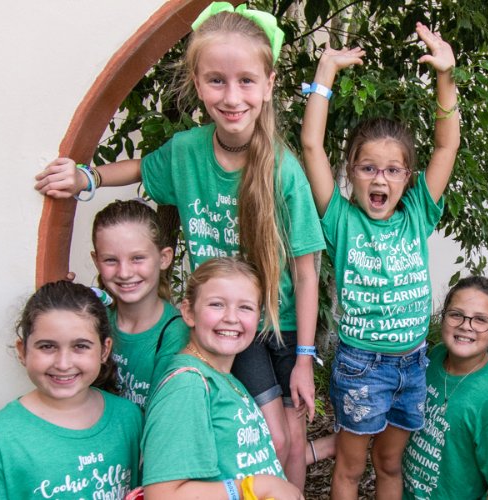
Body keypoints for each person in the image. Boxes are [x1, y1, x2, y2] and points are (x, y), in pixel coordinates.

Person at [34, 2, 323, 482]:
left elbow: (306, 271)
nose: (232, 97)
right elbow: (141, 169)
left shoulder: (283, 170)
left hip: (286, 321)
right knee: (270, 436)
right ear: (197, 82)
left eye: (247, 81)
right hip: (234, 319)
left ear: (269, 86)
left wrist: (307, 360)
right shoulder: (188, 152)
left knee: (293, 439)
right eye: (216, 81)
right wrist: (86, 178)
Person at [297, 23, 459, 500]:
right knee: (349, 469)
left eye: (392, 169)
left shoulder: (417, 213)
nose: (379, 178)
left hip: (412, 362)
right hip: (362, 365)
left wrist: (445, 78)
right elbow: (310, 146)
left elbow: (446, 146)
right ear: (352, 172)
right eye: (368, 168)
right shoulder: (341, 219)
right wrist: (324, 74)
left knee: (390, 465)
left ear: (408, 176)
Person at [0, 281, 142, 499]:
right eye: (47, 346)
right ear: (22, 351)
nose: (63, 364)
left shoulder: (128, 418)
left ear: (104, 350)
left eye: (80, 346)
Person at [139, 258, 302, 500]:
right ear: (188, 312)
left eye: (245, 307)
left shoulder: (225, 378)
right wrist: (254, 488)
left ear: (258, 318)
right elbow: (162, 495)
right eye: (216, 304)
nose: (231, 318)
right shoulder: (187, 385)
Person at [401, 276, 488, 499]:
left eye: (480, 320)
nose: (466, 326)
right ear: (443, 317)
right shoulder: (435, 357)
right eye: (456, 315)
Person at [92, 199, 189, 409]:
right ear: (96, 261)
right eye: (110, 260)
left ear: (164, 258)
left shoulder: (176, 334)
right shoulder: (95, 320)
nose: (124, 273)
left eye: (137, 258)